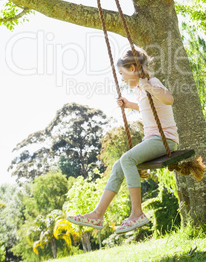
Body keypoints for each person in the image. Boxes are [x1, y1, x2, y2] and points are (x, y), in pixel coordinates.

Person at [67, 48, 179, 234]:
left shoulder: (151, 82)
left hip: (164, 140)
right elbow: (148, 109)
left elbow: (169, 99)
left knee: (127, 159)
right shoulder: (140, 90)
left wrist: (147, 85)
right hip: (153, 139)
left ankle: (137, 213)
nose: (121, 78)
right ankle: (97, 214)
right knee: (120, 165)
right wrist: (129, 105)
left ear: (133, 68)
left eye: (122, 73)